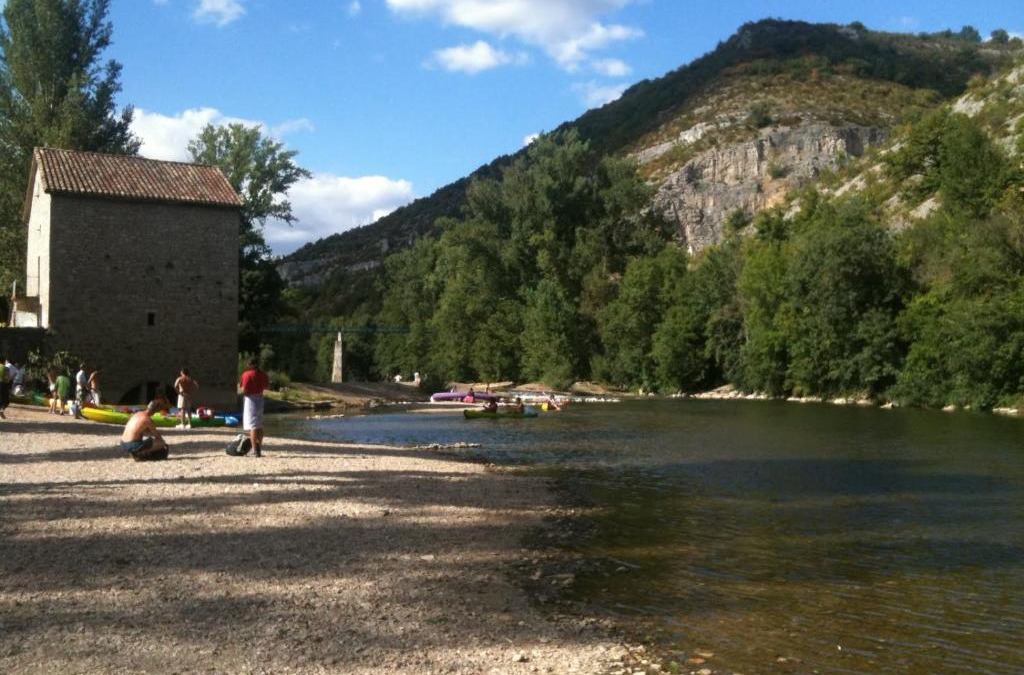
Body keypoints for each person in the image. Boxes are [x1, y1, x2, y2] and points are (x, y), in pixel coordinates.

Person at [239, 357, 270, 457]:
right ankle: (259, 448)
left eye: (248, 364)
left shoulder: (247, 374)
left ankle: (254, 450)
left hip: (250, 400)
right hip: (260, 399)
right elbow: (266, 387)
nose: (247, 366)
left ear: (251, 365)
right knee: (259, 425)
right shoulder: (263, 374)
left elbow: (243, 390)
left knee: (252, 426)